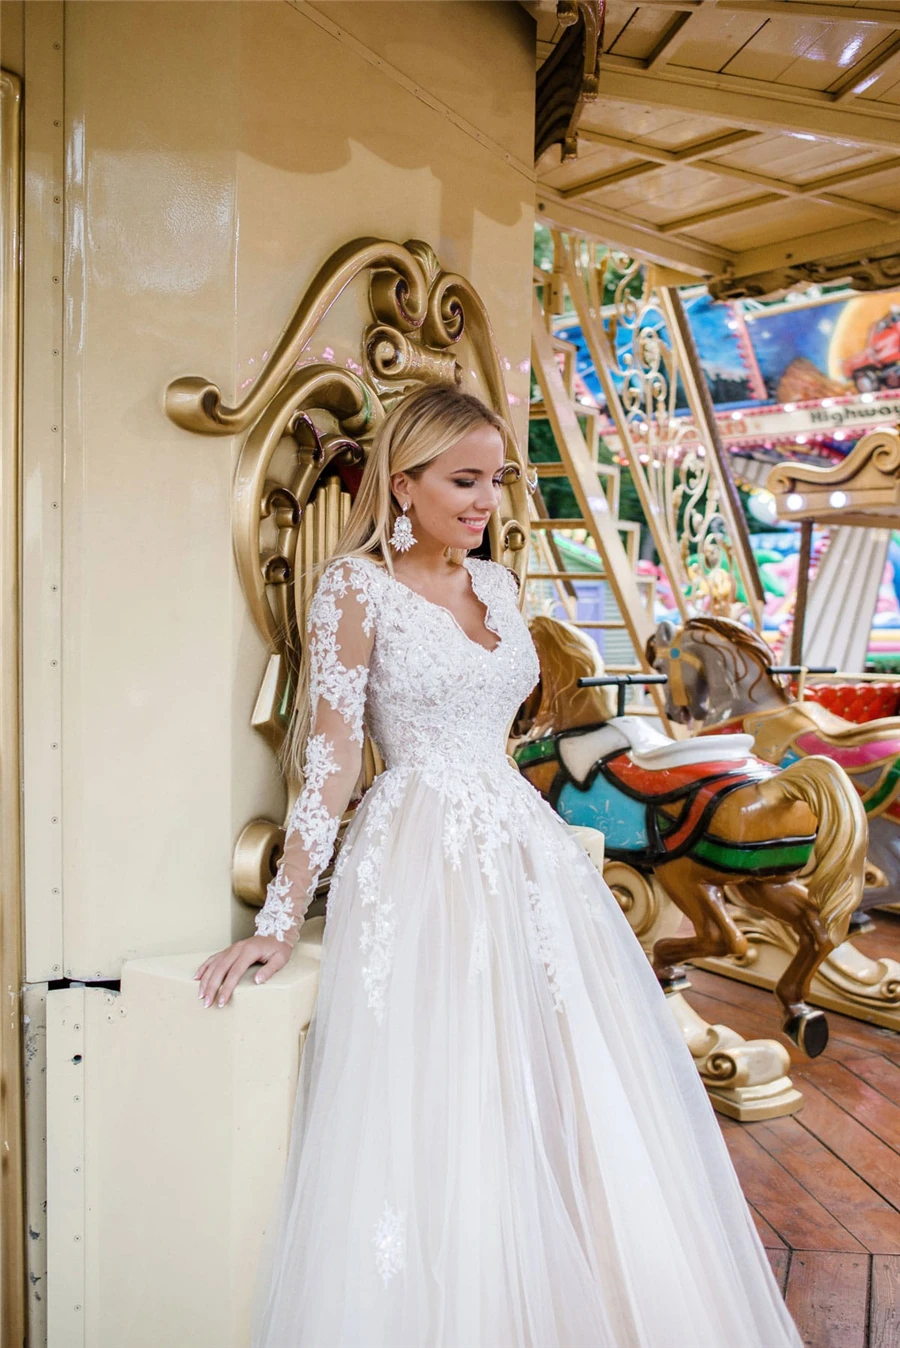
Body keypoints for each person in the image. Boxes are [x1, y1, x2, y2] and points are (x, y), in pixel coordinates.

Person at [196, 385, 803, 1347]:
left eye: (498, 480)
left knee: (566, 1071)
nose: (487, 502)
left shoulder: (501, 587)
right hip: (419, 848)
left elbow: (508, 721)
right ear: (403, 484)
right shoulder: (355, 587)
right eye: (464, 481)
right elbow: (333, 757)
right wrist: (278, 919)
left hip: (524, 845)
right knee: (444, 1077)